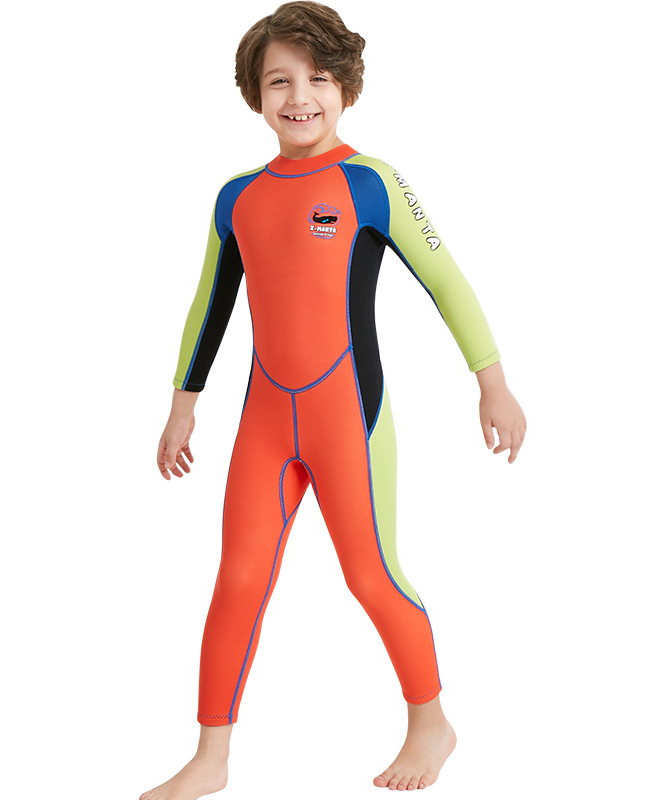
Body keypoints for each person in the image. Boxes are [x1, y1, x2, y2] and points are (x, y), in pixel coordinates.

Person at [145, 2, 526, 797]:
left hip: (348, 417)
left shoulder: (371, 183)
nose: (299, 96)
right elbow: (209, 304)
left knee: (372, 575)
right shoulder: (236, 198)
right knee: (238, 580)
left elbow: (445, 279)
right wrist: (184, 404)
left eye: (318, 78)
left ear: (347, 86)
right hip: (263, 423)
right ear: (254, 94)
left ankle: (432, 722)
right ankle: (211, 757)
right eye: (278, 81)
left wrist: (491, 383)